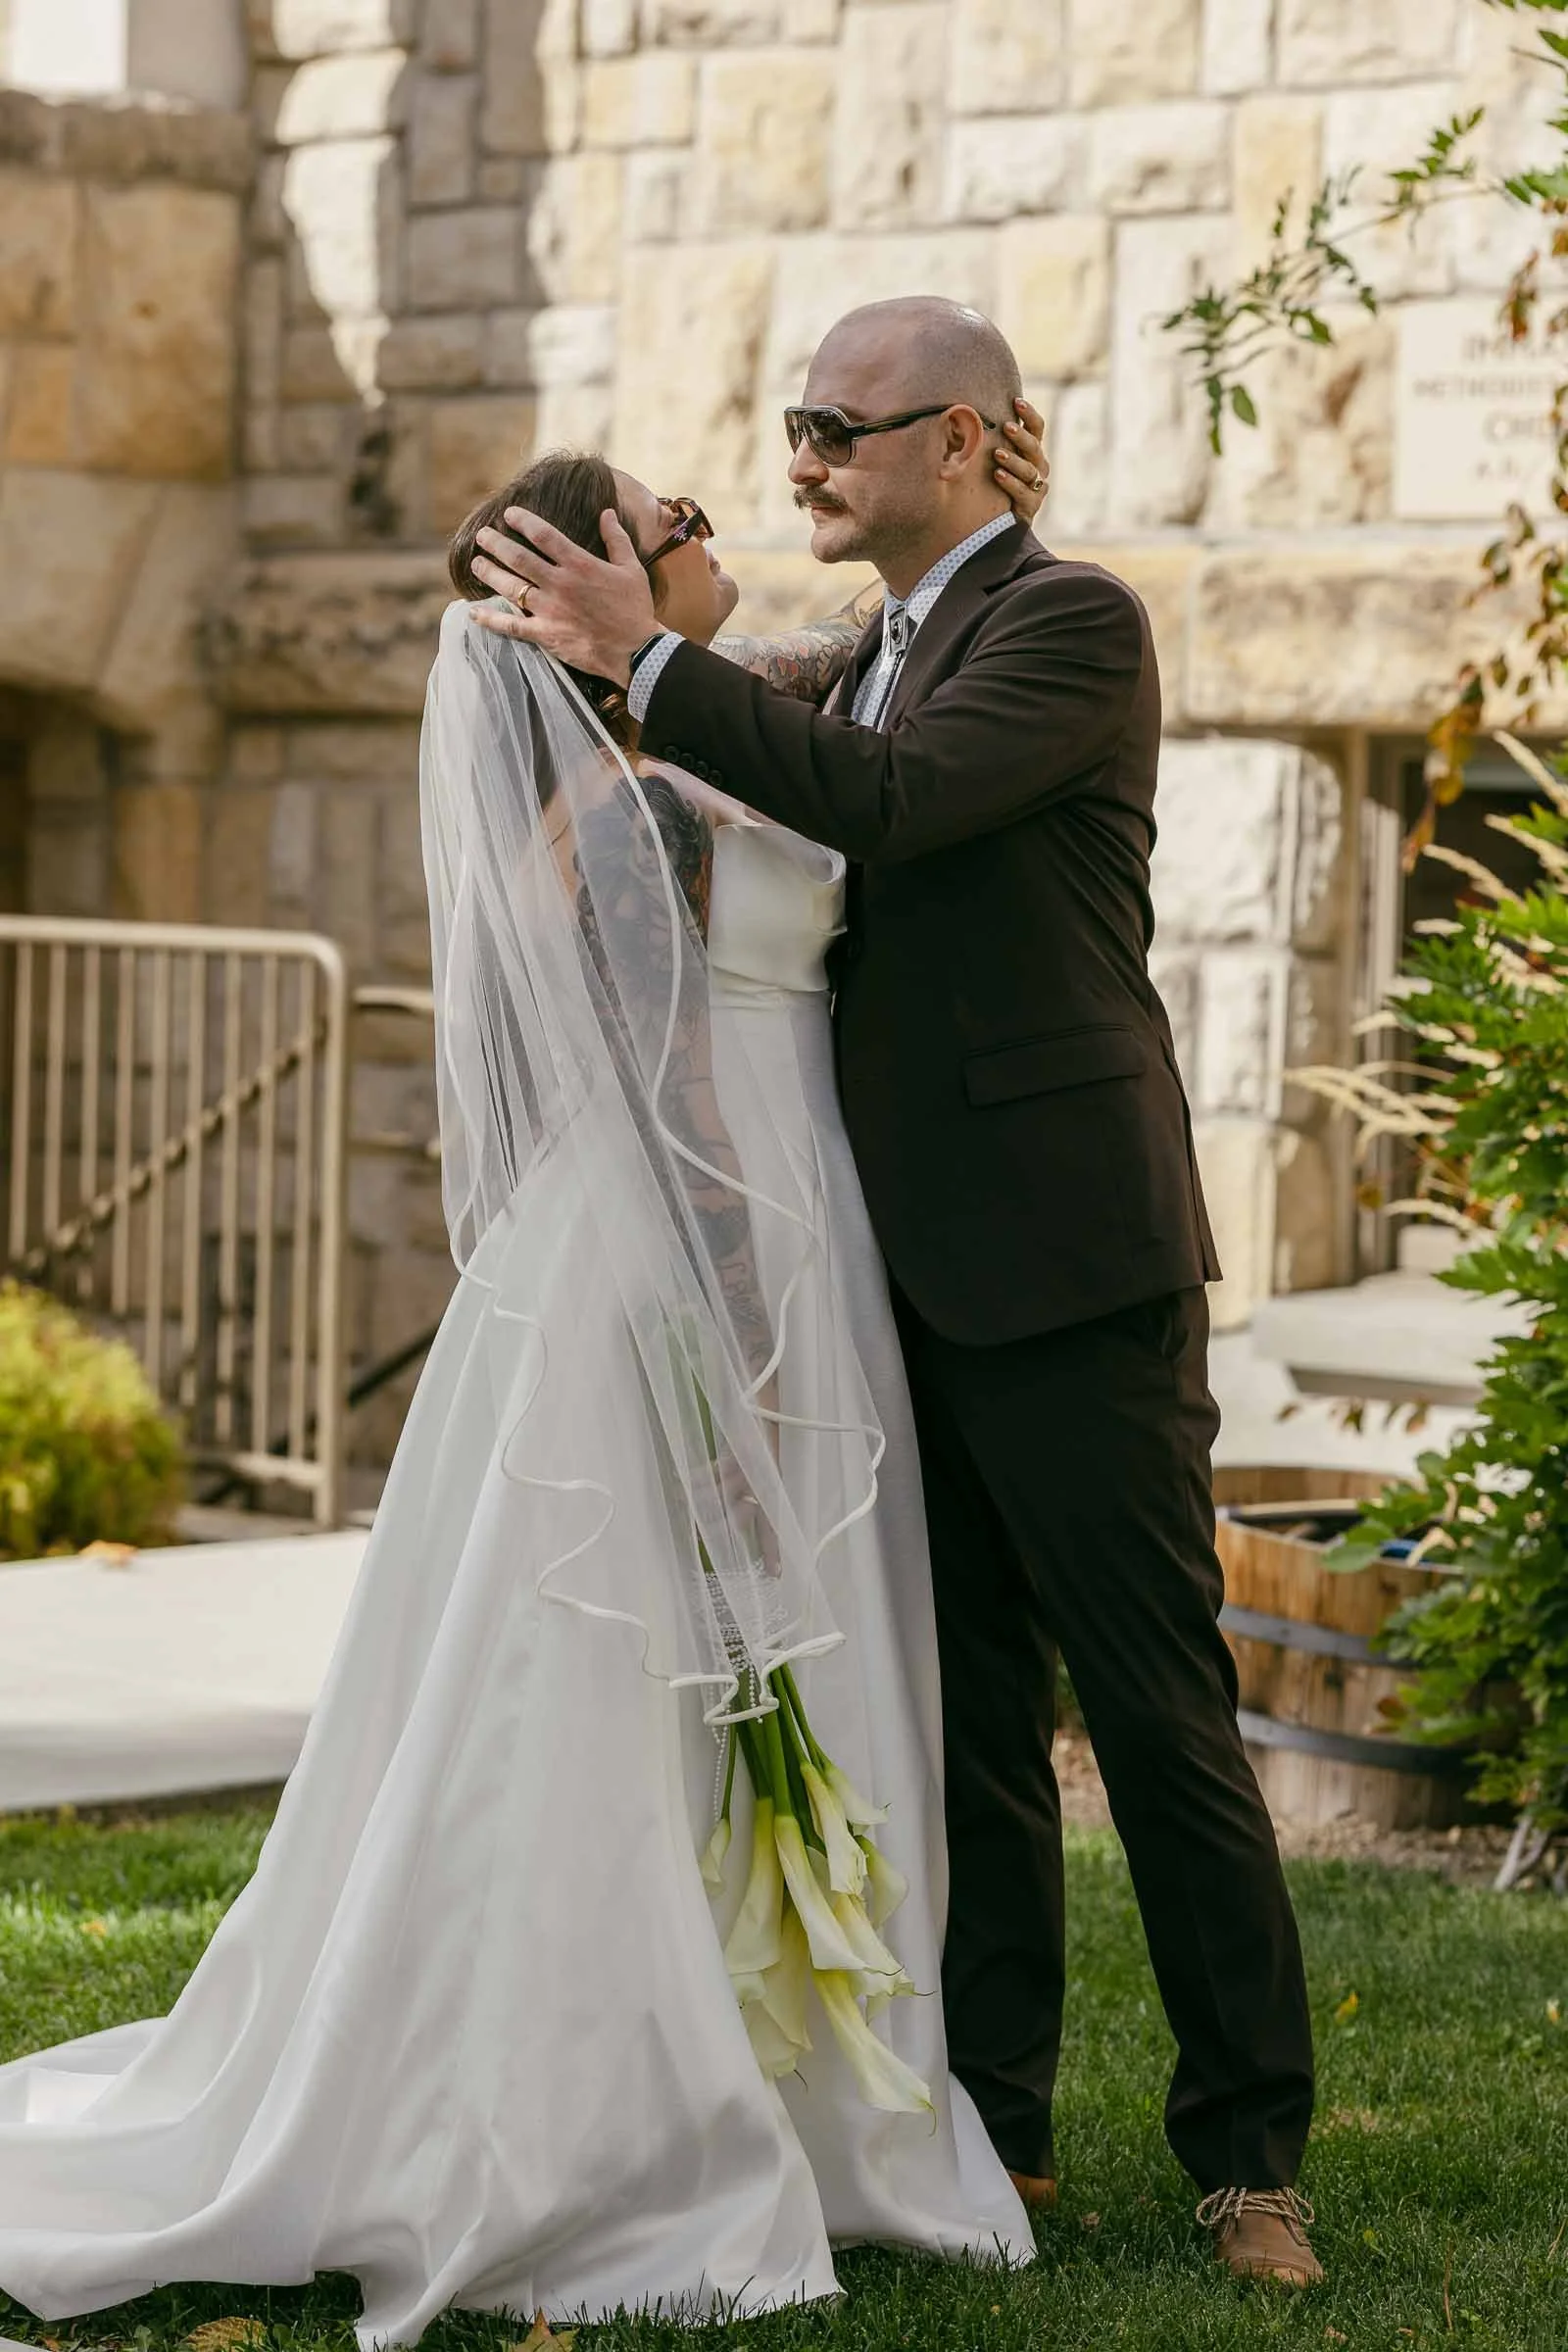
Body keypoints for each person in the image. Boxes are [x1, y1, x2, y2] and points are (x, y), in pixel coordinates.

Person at [0, 432, 1051, 2347]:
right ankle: (600, 2107)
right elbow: (662, 1124)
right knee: (614, 1684)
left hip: (750, 1257)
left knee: (707, 1688)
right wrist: (728, 1361)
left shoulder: (692, 741)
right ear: (596, 584)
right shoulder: (625, 818)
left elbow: (848, 703)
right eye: (673, 528)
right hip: (672, 1289)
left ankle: (780, 2071)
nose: (712, 535)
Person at [466, 296, 1324, 2291]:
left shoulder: (1067, 623)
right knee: (960, 1728)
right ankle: (993, 2131)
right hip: (886, 1277)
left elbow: (895, 808)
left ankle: (1248, 2158)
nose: (798, 459)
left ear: (965, 439)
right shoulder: (855, 653)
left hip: (1062, 1261)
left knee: (1157, 1714)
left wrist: (648, 653)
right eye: (788, 423)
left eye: (840, 428)